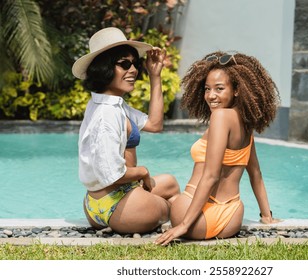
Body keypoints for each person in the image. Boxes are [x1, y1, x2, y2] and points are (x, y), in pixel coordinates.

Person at [155, 51, 281, 245]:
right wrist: (267, 216)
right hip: (231, 218)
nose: (211, 96)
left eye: (219, 89)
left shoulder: (220, 117)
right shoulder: (246, 126)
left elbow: (211, 176)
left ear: (237, 90)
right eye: (207, 89)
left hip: (198, 219)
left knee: (159, 198)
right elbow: (255, 174)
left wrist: (183, 225)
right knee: (169, 189)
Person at [72, 27, 180, 234]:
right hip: (119, 203)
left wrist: (155, 76)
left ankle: (141, 217)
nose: (133, 70)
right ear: (104, 68)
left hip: (105, 200)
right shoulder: (107, 114)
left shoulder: (113, 105)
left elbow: (155, 125)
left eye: (135, 64)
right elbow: (111, 174)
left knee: (171, 184)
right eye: (124, 64)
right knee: (178, 206)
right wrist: (143, 171)